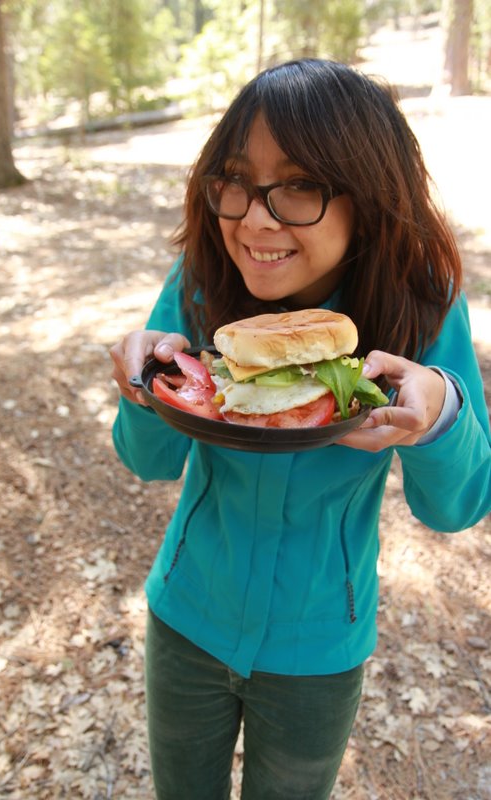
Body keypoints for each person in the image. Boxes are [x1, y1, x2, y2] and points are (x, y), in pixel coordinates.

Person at [109, 59, 491, 800]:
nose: (255, 219)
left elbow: (456, 507)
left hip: (318, 647)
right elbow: (148, 461)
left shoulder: (421, 304)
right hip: (185, 615)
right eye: (235, 180)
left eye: (300, 185)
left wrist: (440, 412)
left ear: (368, 197)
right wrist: (143, 390)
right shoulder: (201, 281)